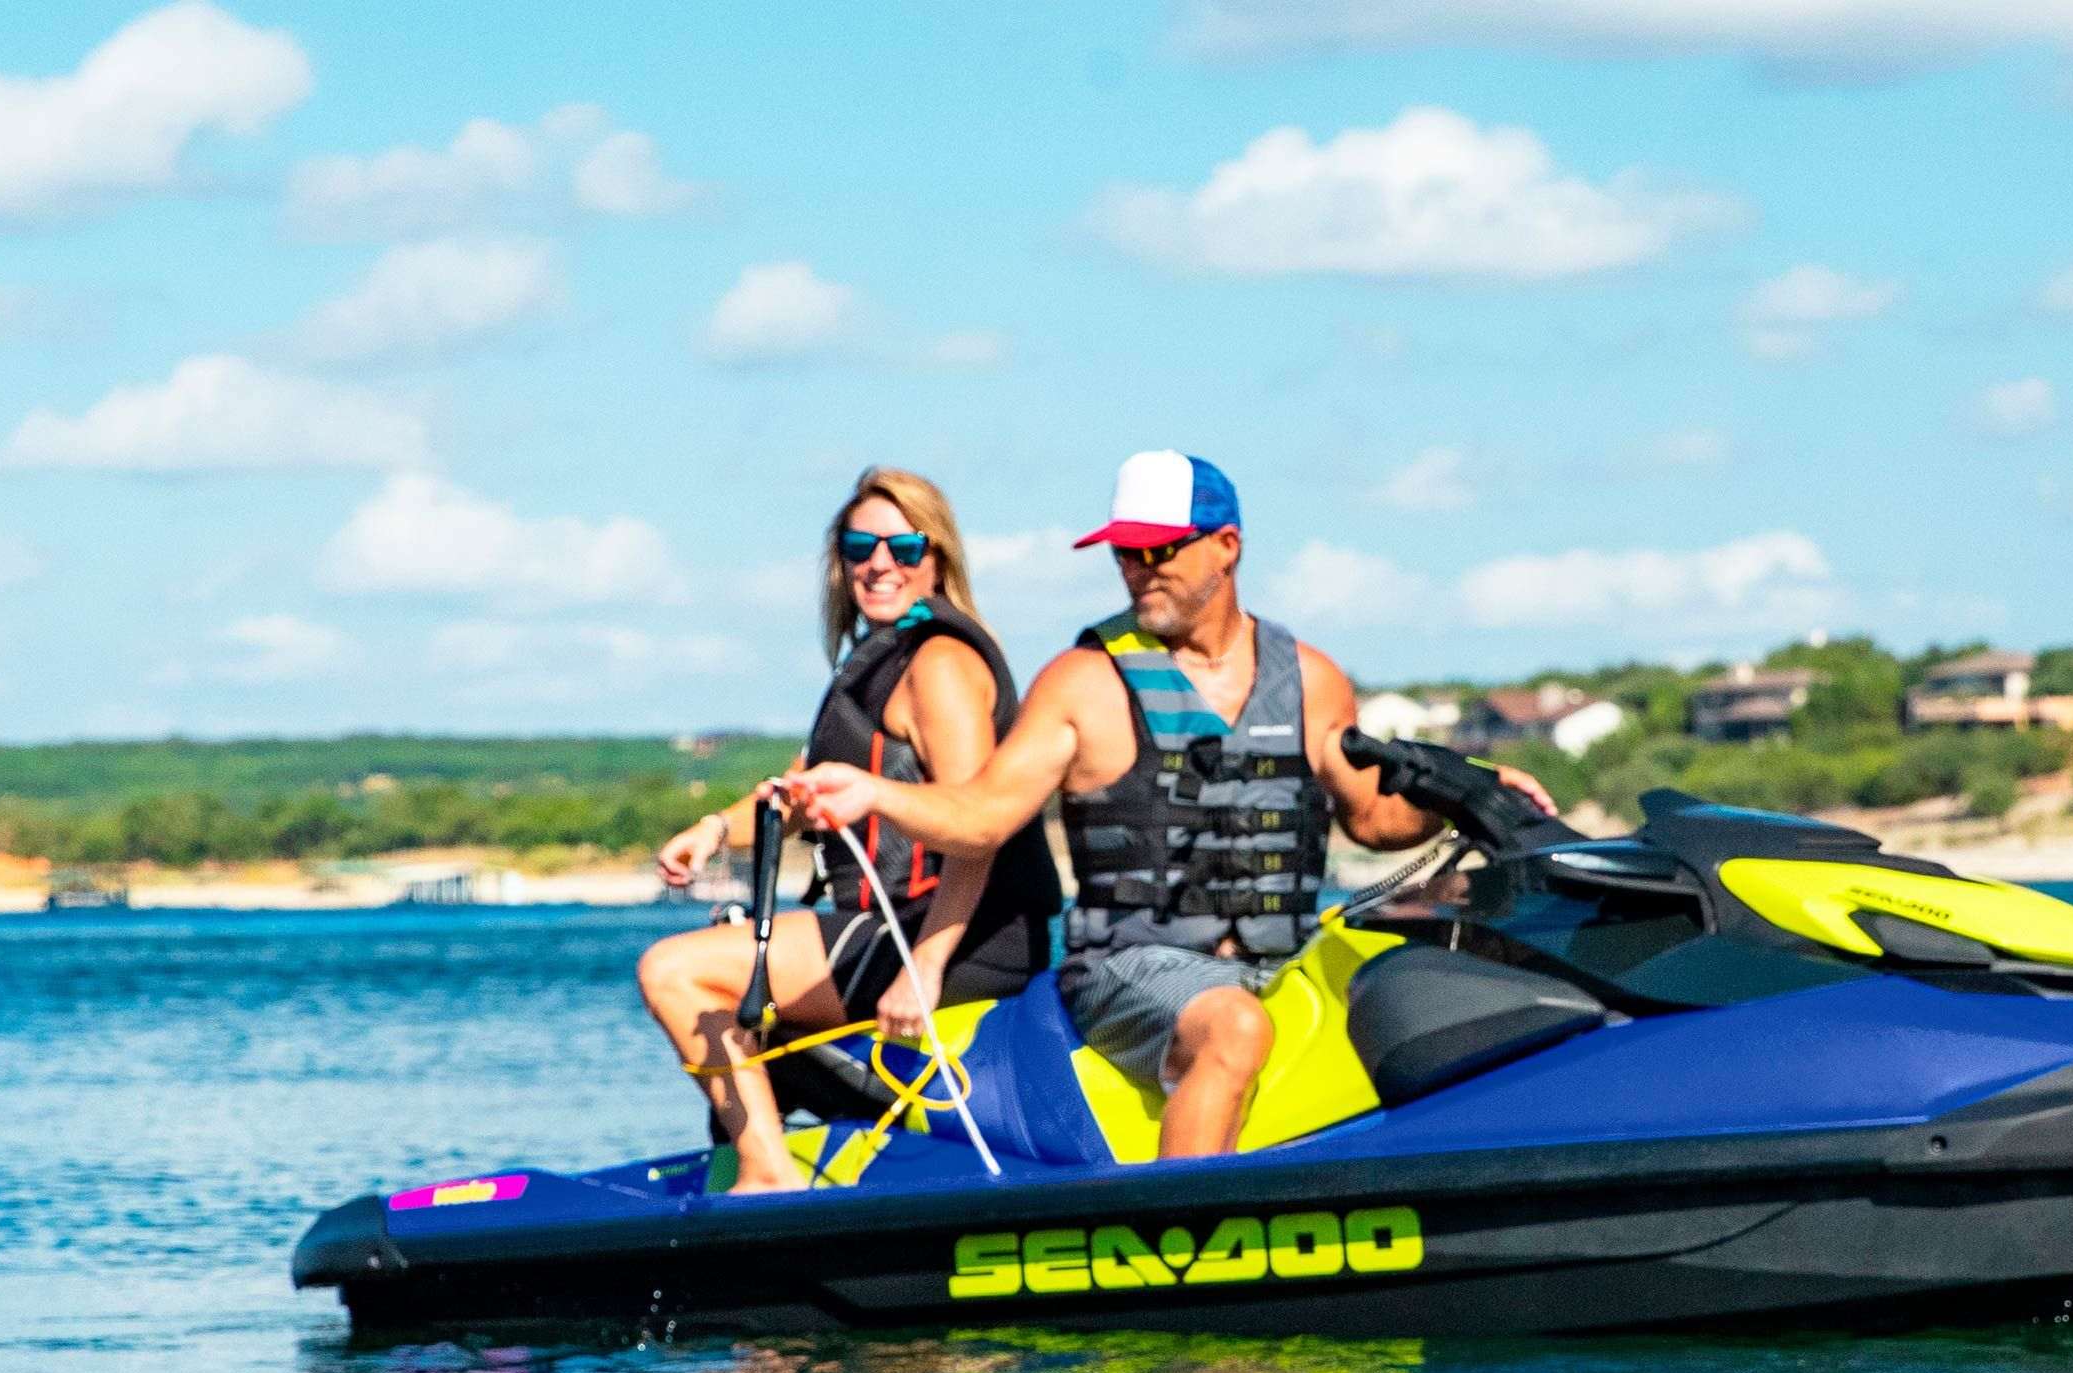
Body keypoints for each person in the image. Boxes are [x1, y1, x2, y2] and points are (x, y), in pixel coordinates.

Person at [784, 450, 1550, 1159]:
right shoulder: (1084, 681)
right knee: (1232, 1024)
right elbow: (982, 817)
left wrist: (1467, 793)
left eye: (1161, 550)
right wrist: (875, 792)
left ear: (1226, 545)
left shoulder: (1309, 678)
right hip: (1126, 967)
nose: (1141, 571)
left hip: (1285, 958)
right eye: (1126, 553)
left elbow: (1374, 818)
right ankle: (1178, 1238)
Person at [637, 467, 1060, 1192]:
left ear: (938, 558)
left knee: (675, 971)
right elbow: (802, 793)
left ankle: (769, 1174)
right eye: (860, 544)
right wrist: (713, 829)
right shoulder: (875, 667)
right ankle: (791, 1156)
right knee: (745, 1010)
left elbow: (974, 827)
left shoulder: (941, 666)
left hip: (958, 938)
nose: (879, 564)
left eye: (903, 546)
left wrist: (922, 969)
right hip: (898, 927)